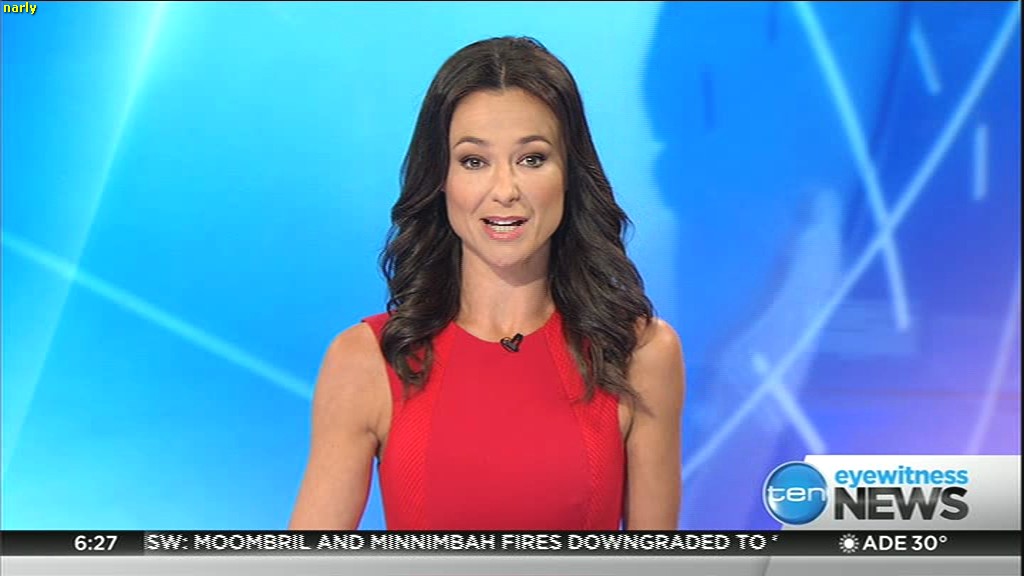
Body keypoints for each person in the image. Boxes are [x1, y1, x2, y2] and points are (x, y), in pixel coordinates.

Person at [290, 36, 684, 530]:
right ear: (441, 178)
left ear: (568, 174)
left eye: (532, 158)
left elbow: (659, 559)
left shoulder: (640, 355)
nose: (504, 191)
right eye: (474, 161)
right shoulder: (366, 361)